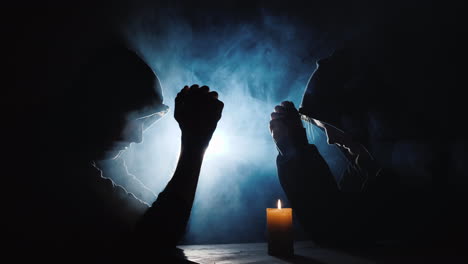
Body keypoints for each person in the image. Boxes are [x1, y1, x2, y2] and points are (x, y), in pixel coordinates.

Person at [11, 44, 224, 261]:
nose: (137, 138)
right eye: (132, 119)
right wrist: (194, 144)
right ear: (95, 109)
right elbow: (157, 238)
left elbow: (165, 223)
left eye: (147, 120)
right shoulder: (55, 167)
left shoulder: (105, 163)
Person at [269, 31, 467, 253]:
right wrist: (295, 151)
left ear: (361, 115)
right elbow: (338, 215)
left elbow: (338, 230)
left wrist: (295, 152)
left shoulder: (428, 164)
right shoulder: (368, 169)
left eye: (332, 126)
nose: (331, 139)